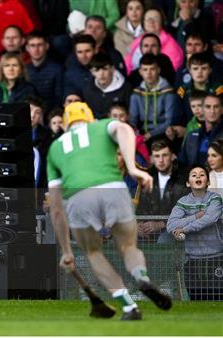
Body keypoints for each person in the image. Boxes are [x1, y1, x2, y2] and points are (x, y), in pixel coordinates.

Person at [47, 101, 172, 320]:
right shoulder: (101, 125)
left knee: (94, 253)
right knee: (128, 246)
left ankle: (128, 306)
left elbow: (56, 209)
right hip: (112, 188)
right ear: (91, 118)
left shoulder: (55, 148)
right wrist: (132, 168)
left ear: (65, 125)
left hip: (77, 196)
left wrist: (66, 250)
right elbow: (124, 128)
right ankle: (140, 276)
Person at [167, 165, 223, 301]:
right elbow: (171, 225)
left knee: (217, 300)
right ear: (188, 182)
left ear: (208, 182)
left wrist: (185, 228)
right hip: (192, 260)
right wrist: (195, 216)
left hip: (215, 258)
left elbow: (209, 219)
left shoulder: (215, 199)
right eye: (194, 175)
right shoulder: (182, 202)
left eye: (202, 174)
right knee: (196, 300)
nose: (198, 176)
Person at [136, 139, 188, 239]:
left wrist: (161, 224)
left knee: (163, 239)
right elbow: (141, 206)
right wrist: (140, 225)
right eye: (157, 156)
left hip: (175, 229)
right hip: (149, 229)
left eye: (165, 155)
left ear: (172, 156)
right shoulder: (147, 177)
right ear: (152, 158)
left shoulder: (184, 177)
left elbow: (188, 210)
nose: (160, 160)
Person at [129, 53, 180, 144]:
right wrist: (134, 131)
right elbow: (133, 119)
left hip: (163, 133)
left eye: (152, 69)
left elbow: (169, 121)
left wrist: (151, 134)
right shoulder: (136, 93)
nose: (149, 73)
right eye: (145, 70)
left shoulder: (168, 92)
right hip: (142, 133)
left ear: (158, 70)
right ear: (140, 72)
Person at [83, 52, 132, 119]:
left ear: (112, 69)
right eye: (97, 70)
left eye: (105, 69)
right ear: (92, 72)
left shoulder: (126, 88)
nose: (101, 74)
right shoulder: (88, 88)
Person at [179, 94, 223, 166]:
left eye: (216, 107)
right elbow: (182, 163)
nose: (212, 111)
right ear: (202, 109)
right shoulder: (191, 136)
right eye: (208, 107)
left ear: (222, 110)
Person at [25, 31, 63, 110]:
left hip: (51, 115)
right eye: (32, 45)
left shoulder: (57, 69)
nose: (36, 49)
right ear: (27, 48)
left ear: (47, 46)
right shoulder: (24, 70)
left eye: (40, 45)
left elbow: (59, 99)